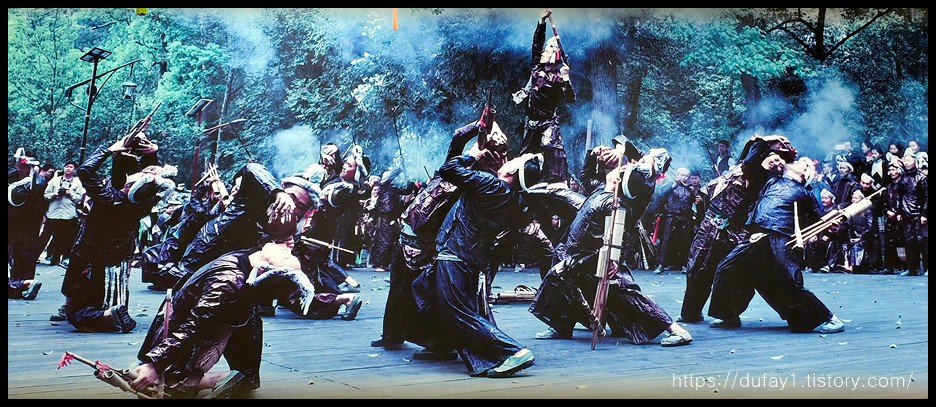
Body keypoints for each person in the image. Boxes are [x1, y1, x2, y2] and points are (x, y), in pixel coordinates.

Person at [371, 119, 507, 360]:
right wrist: (479, 124)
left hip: (433, 247)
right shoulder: (455, 164)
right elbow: (457, 137)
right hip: (407, 238)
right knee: (398, 289)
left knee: (429, 296)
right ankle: (393, 333)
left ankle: (440, 345)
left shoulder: (479, 181)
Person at [530, 147, 694, 347]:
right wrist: (592, 155)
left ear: (621, 180)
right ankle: (562, 325)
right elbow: (586, 176)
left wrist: (613, 260)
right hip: (574, 252)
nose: (627, 165)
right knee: (561, 273)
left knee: (623, 292)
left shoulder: (617, 203)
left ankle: (676, 330)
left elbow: (616, 234)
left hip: (592, 256)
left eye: (634, 165)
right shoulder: (603, 189)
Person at [411, 145, 541, 378]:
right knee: (423, 287)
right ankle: (441, 343)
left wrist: (472, 156)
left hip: (457, 255)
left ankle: (512, 351)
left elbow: (448, 169)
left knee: (458, 312)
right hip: (471, 257)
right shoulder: (515, 198)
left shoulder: (490, 184)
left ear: (514, 171)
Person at [129, 239, 309, 399]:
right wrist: (155, 364)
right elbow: (192, 327)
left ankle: (243, 377)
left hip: (218, 319)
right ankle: (182, 377)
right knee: (175, 386)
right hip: (184, 328)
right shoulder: (227, 285)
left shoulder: (254, 256)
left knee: (248, 318)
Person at [708, 159, 845, 334]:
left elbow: (819, 218)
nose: (795, 161)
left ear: (804, 174)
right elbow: (753, 163)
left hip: (780, 237)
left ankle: (829, 319)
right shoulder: (772, 180)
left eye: (801, 163)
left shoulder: (805, 193)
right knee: (728, 268)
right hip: (756, 235)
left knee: (789, 279)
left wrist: (832, 223)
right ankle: (728, 315)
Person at [56, 134, 172, 332]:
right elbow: (144, 180)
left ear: (129, 185)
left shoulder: (108, 198)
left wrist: (109, 150)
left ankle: (102, 315)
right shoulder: (145, 202)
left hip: (91, 253)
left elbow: (85, 171)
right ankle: (107, 313)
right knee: (102, 294)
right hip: (116, 257)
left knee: (79, 303)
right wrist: (152, 154)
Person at [678, 135, 794, 323]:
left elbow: (751, 160)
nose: (775, 161)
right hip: (711, 223)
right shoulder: (744, 165)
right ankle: (690, 313)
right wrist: (762, 140)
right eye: (773, 156)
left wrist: (766, 140)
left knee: (735, 273)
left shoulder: (759, 174)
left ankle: (728, 314)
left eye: (780, 159)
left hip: (735, 230)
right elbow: (748, 153)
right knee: (698, 266)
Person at [513, 8, 576, 188]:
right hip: (531, 121)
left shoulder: (558, 77)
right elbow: (536, 45)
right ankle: (523, 186)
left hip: (548, 122)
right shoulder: (537, 67)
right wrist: (541, 22)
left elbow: (570, 99)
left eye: (547, 50)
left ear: (555, 54)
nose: (543, 52)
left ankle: (558, 186)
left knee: (550, 147)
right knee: (525, 155)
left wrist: (567, 79)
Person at [8, 151, 55, 299]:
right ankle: (17, 285)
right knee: (15, 255)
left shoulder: (37, 183)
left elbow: (34, 205)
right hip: (14, 224)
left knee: (25, 255)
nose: (18, 169)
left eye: (21, 167)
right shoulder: (16, 178)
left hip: (28, 225)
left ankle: (26, 284)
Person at [37, 162, 84, 266]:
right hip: (53, 213)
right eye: (67, 166)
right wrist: (54, 195)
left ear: (74, 170)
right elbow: (45, 195)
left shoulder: (77, 183)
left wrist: (70, 193)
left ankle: (55, 259)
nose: (68, 169)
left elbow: (79, 199)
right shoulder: (55, 181)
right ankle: (34, 257)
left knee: (61, 238)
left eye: (71, 167)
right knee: (45, 236)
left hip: (68, 214)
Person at [652, 167, 696, 274]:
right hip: (671, 216)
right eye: (682, 175)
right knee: (666, 241)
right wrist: (674, 185)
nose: (684, 177)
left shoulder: (690, 189)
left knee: (685, 242)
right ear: (678, 176)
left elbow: (693, 202)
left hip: (685, 218)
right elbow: (661, 196)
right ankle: (661, 265)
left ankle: (684, 265)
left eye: (686, 175)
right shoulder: (671, 186)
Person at [894, 154, 927, 276]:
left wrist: (924, 214)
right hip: (906, 213)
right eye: (905, 160)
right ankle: (912, 268)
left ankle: (927, 268)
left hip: (919, 213)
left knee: (923, 241)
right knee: (909, 241)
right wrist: (899, 212)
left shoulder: (922, 178)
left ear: (915, 162)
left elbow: (926, 197)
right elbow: (899, 196)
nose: (907, 163)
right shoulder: (902, 178)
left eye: (909, 160)